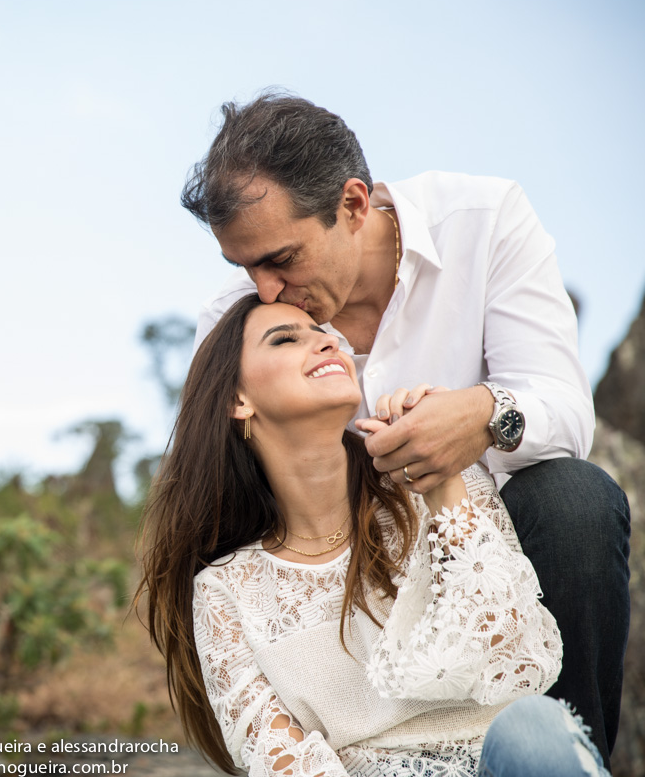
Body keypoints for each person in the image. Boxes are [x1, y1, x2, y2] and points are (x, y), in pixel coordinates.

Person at [179, 92, 629, 764]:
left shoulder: (483, 221)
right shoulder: (238, 318)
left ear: (353, 205)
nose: (264, 290)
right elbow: (229, 477)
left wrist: (481, 415)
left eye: (281, 258)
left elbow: (564, 413)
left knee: (574, 500)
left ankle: (566, 756)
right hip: (336, 565)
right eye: (244, 267)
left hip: (491, 541)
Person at [136, 292, 607, 776]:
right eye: (285, 339)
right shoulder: (224, 590)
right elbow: (282, 760)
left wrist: (441, 485)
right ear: (238, 400)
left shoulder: (447, 485)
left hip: (507, 758)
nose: (328, 344)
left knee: (534, 728)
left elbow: (516, 659)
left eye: (326, 335)